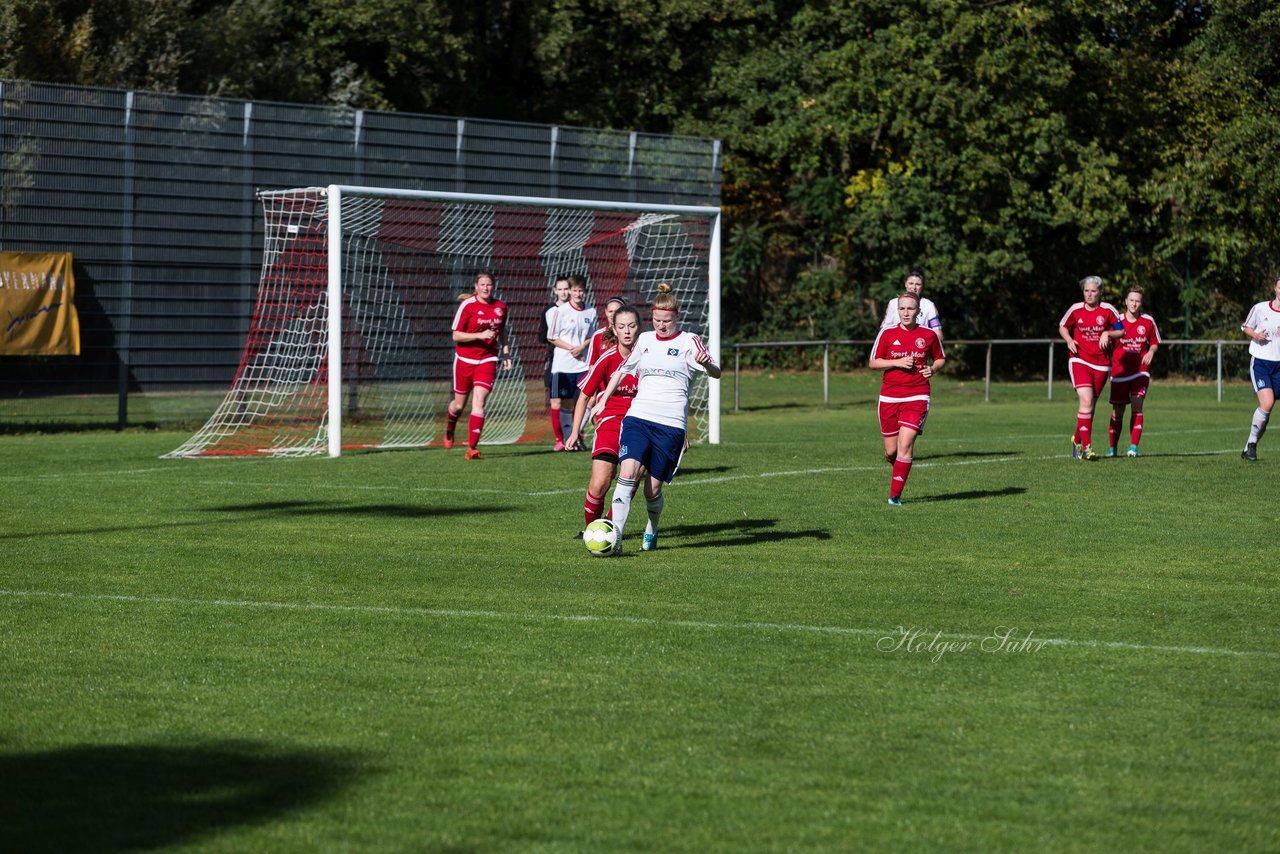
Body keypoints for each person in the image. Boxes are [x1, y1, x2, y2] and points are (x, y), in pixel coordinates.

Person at [590, 283, 721, 554]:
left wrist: (707, 363)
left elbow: (716, 372)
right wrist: (602, 399)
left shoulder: (689, 341)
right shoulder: (646, 340)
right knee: (627, 473)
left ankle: (652, 526)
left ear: (677, 318)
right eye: (656, 320)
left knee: (652, 490)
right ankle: (616, 539)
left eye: (667, 321)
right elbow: (622, 370)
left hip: (670, 425)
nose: (661, 326)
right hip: (638, 417)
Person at [567, 304, 641, 529]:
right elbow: (583, 396)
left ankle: (609, 524)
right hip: (610, 420)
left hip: (641, 423)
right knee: (600, 482)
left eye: (631, 326)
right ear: (614, 330)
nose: (627, 331)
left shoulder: (649, 356)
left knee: (631, 478)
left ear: (639, 327)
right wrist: (574, 432)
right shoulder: (607, 358)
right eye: (622, 327)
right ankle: (591, 530)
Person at [869, 292, 945, 505]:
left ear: (918, 311)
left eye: (910, 308)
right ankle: (893, 461)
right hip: (889, 397)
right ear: (897, 310)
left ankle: (895, 496)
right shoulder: (886, 333)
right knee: (892, 450)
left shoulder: (929, 335)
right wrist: (898, 362)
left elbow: (940, 358)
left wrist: (933, 369)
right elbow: (873, 362)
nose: (905, 312)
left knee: (906, 444)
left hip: (918, 395)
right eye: (902, 308)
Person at [446, 271, 512, 460]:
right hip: (465, 360)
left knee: (479, 401)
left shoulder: (500, 306)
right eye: (482, 284)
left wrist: (506, 353)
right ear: (476, 286)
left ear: (493, 286)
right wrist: (479, 335)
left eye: (489, 285)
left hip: (488, 359)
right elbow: (456, 335)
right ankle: (450, 425)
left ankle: (472, 448)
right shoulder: (467, 305)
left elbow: (502, 331)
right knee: (459, 405)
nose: (485, 288)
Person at [1058, 275, 1120, 461]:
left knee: (1089, 407)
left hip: (1101, 364)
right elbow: (1062, 326)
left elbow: (1121, 330)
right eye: (1086, 291)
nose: (1089, 294)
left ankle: (1076, 440)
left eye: (1093, 291)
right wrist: (1069, 339)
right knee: (1085, 401)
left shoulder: (1108, 310)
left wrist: (1107, 333)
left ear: (1100, 292)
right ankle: (1087, 448)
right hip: (1079, 360)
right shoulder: (1075, 309)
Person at [1101, 287, 1160, 458]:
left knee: (1137, 404)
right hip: (1119, 371)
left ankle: (1133, 447)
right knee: (1117, 411)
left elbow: (1155, 342)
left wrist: (1150, 352)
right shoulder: (1116, 320)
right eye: (1131, 300)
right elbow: (1105, 337)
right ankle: (1112, 449)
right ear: (1126, 301)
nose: (1134, 304)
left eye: (1137, 301)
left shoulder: (1148, 321)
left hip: (1140, 371)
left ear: (1141, 303)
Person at [547, 274, 597, 450]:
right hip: (563, 364)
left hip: (582, 363)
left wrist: (582, 345)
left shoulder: (591, 311)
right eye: (575, 290)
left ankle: (576, 436)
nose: (578, 294)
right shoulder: (559, 311)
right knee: (566, 402)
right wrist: (571, 348)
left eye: (580, 291)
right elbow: (551, 337)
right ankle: (569, 440)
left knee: (587, 399)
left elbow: (592, 335)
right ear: (570, 291)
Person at [1240, 276, 1280, 461]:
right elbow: (1245, 327)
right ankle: (1252, 446)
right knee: (1267, 403)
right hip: (1262, 362)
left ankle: (1250, 444)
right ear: (1275, 288)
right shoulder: (1260, 308)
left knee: (1267, 410)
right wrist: (1256, 335)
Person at [540, 276, 571, 450]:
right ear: (555, 291)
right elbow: (544, 337)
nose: (564, 292)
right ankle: (559, 440)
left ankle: (573, 437)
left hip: (575, 361)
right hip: (555, 361)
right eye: (560, 289)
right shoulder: (550, 310)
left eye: (567, 288)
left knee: (570, 402)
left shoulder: (578, 309)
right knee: (555, 401)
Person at [880, 268, 943, 341]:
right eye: (911, 283)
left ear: (922, 286)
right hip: (896, 349)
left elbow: (939, 335)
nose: (914, 287)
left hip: (919, 349)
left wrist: (921, 340)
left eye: (918, 284)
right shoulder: (893, 303)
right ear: (905, 284)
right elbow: (884, 331)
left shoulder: (929, 305)